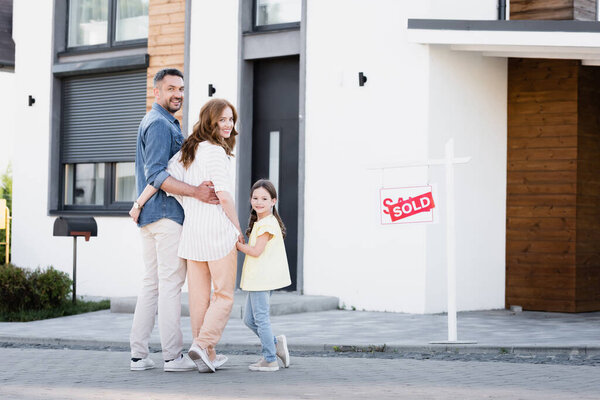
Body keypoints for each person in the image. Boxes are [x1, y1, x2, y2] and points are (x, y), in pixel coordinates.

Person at [133, 98, 243, 373]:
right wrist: (238, 229)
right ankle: (203, 344)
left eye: (231, 119)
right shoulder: (216, 152)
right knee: (225, 295)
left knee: (199, 298)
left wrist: (138, 204)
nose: (228, 124)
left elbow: (158, 178)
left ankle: (208, 355)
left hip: (193, 236)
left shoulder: (188, 150)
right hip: (218, 232)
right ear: (211, 121)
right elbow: (224, 196)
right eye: (223, 119)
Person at [129, 68, 218, 373]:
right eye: (171, 89)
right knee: (169, 285)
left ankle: (139, 355)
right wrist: (196, 192)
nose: (178, 94)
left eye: (181, 88)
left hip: (150, 215)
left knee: (152, 284)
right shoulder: (159, 124)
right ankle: (172, 357)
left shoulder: (160, 121)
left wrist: (139, 203)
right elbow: (156, 173)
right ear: (156, 92)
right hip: (166, 216)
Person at [237, 179, 291, 372]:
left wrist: (238, 245)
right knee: (249, 320)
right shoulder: (261, 222)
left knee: (260, 319)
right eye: (255, 198)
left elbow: (256, 251)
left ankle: (270, 358)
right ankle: (275, 344)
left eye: (264, 198)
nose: (258, 202)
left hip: (262, 279)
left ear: (273, 201)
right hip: (256, 279)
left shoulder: (267, 223)